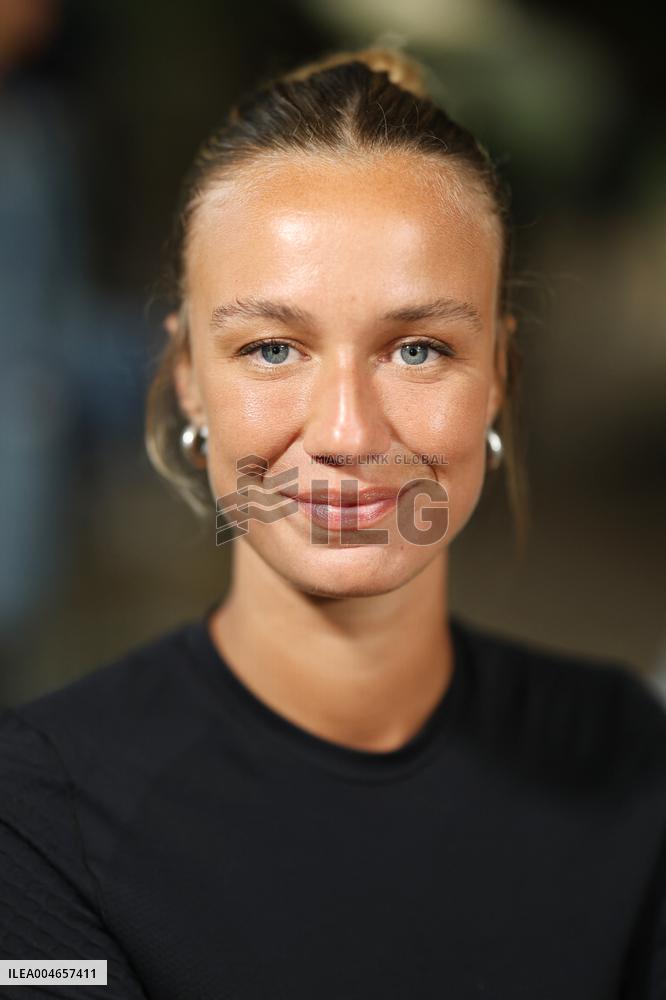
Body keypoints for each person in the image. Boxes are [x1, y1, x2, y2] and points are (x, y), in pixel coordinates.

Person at [1, 45, 664, 1000]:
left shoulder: (629, 758)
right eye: (272, 348)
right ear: (189, 374)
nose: (348, 432)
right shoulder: (36, 817)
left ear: (500, 376)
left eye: (419, 348)